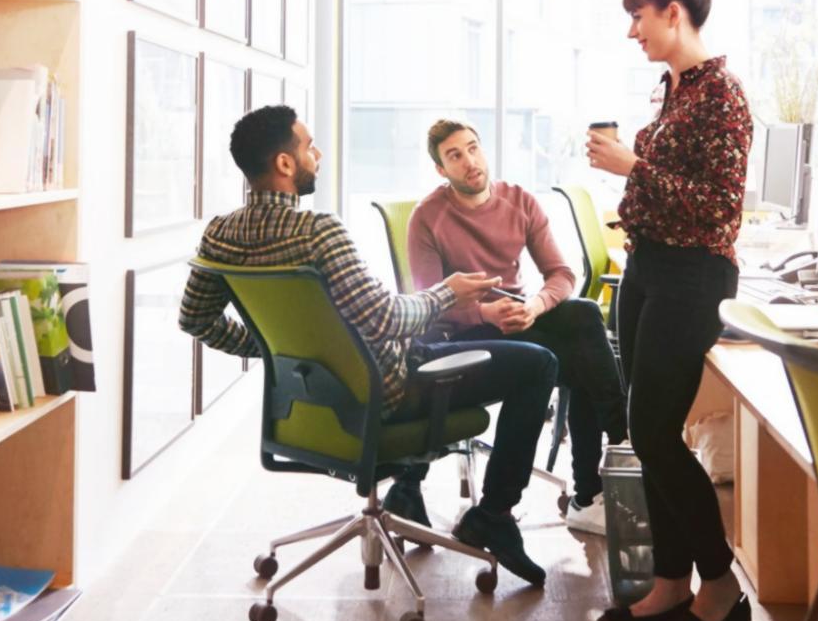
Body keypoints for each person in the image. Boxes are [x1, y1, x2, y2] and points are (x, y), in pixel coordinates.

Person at [178, 105, 558, 585]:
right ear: (284, 164)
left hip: (304, 405)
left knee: (486, 354)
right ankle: (494, 516)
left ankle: (406, 492)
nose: (317, 152)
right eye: (308, 145)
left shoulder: (220, 234)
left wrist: (277, 351)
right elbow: (386, 320)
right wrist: (449, 292)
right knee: (539, 365)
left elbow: (194, 319)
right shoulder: (318, 232)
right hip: (390, 391)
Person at [585, 0, 753, 621]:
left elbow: (719, 206)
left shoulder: (722, 97)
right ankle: (668, 581)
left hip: (693, 275)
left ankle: (721, 586)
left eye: (639, 17)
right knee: (642, 427)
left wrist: (636, 166)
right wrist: (636, 184)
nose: (633, 32)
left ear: (673, 13)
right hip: (649, 266)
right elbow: (670, 187)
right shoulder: (676, 90)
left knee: (656, 431)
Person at [406, 119, 627, 536]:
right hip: (466, 331)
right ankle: (594, 484)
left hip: (520, 316)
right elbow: (427, 309)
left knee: (582, 315)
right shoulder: (427, 218)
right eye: (455, 155)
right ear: (441, 169)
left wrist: (536, 305)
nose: (470, 161)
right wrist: (485, 315)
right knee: (582, 359)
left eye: (473, 148)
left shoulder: (518, 201)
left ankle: (616, 442)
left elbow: (561, 273)